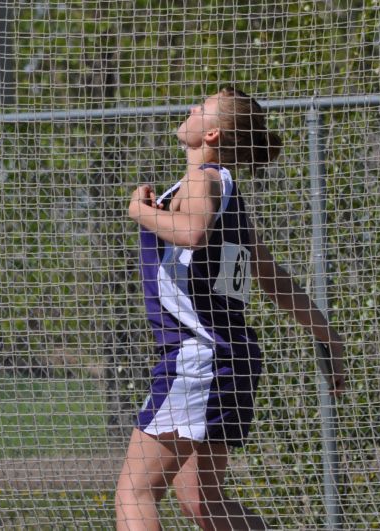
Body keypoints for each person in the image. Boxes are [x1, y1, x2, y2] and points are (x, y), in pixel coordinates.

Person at [115, 86, 345, 531]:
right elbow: (272, 277)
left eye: (201, 107)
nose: (190, 107)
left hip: (198, 356)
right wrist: (327, 334)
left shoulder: (205, 178)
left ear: (214, 133)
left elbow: (192, 233)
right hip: (232, 357)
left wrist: (138, 212)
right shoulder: (225, 192)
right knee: (202, 502)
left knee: (134, 494)